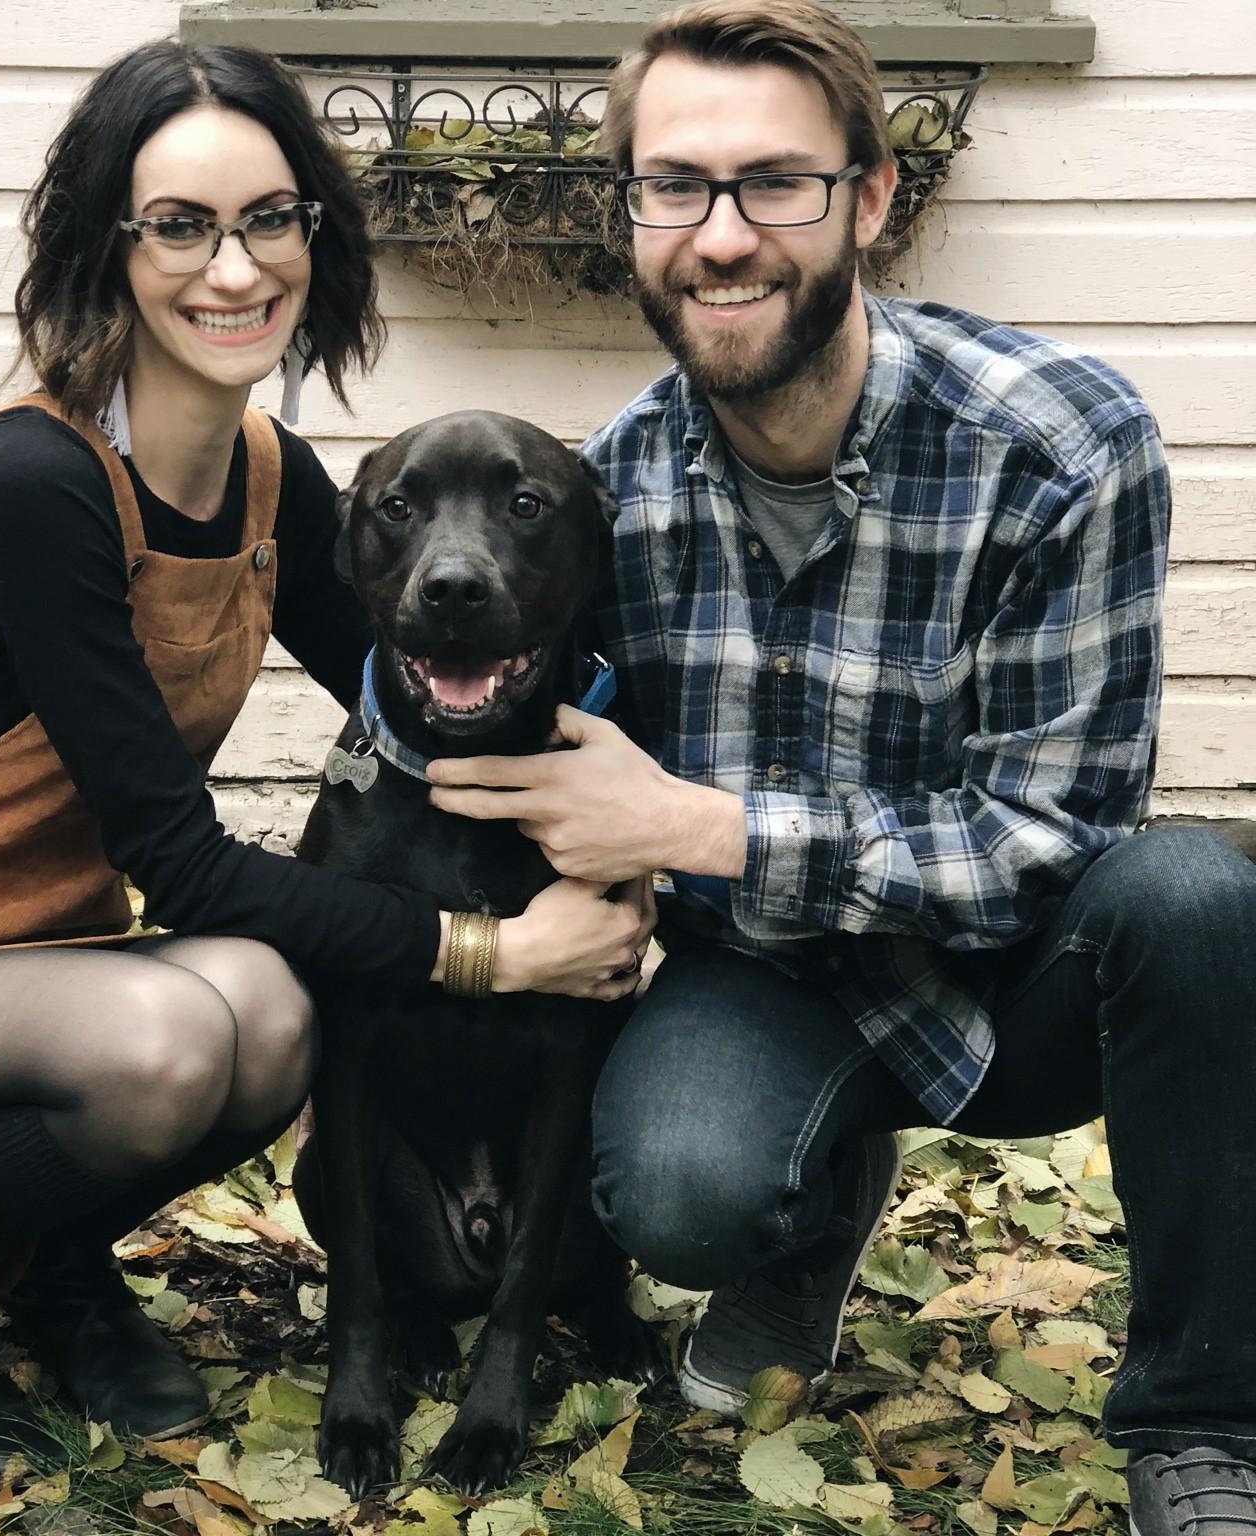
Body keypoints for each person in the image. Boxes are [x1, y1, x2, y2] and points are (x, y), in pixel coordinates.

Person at [0, 39, 652, 1485]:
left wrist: (612, 811)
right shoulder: (34, 482)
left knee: (272, 1018)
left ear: (315, 238)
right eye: (182, 225)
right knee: (188, 1034)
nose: (235, 269)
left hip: (47, 980)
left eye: (270, 219)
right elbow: (183, 866)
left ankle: (49, 1265)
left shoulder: (268, 475)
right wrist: (491, 953)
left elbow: (418, 696)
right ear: (108, 243)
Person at [426, 3, 1256, 1529]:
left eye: (775, 184)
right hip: (767, 981)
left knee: (1197, 899)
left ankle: (1203, 1421)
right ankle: (804, 1208)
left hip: (1013, 980)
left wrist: (704, 823)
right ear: (629, 216)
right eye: (673, 185)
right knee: (680, 1191)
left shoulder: (1062, 443)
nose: (721, 234)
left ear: (872, 198)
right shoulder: (597, 498)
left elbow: (1057, 834)